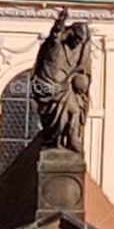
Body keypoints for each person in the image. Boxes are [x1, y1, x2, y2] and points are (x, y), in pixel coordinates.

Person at [32, 9, 92, 153]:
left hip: (65, 89)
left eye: (80, 41)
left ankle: (71, 139)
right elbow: (55, 35)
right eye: (77, 39)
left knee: (74, 111)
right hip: (47, 86)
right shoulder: (56, 44)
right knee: (57, 118)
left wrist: (78, 79)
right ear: (70, 33)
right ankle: (53, 139)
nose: (77, 43)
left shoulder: (78, 51)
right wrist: (60, 22)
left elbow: (82, 67)